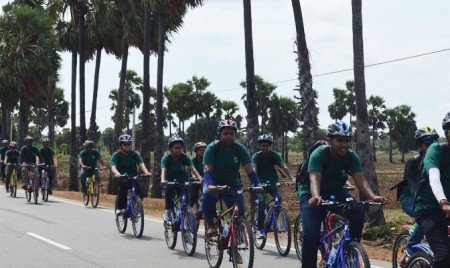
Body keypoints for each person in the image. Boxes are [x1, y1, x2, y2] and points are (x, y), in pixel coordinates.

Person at [298, 121, 387, 267]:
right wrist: (315, 196)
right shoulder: (319, 154)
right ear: (331, 140)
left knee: (357, 209)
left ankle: (351, 248)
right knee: (311, 234)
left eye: (347, 140)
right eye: (340, 140)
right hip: (310, 193)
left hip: (335, 190)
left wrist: (372, 196)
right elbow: (314, 179)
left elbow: (361, 180)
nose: (344, 144)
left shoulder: (351, 157)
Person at [202, 119, 262, 236]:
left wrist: (257, 183)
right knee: (207, 195)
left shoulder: (240, 149)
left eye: (231, 133)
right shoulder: (212, 148)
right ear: (220, 134)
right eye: (225, 133)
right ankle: (211, 224)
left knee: (239, 214)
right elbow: (207, 169)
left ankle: (236, 243)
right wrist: (210, 184)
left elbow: (250, 170)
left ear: (235, 135)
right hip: (213, 182)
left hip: (233, 184)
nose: (228, 136)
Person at [391, 126, 438, 257]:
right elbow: (413, 186)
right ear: (420, 145)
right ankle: (411, 246)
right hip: (410, 197)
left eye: (434, 142)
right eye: (427, 143)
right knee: (426, 215)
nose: (432, 145)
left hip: (430, 198)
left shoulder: (441, 159)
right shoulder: (414, 162)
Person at [414, 112, 450, 268]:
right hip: (430, 208)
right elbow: (434, 177)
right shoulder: (436, 149)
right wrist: (443, 201)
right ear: (446, 134)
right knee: (444, 257)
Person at [252, 133, 295, 239]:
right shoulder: (256, 156)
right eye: (263, 145)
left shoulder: (274, 155)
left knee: (278, 199)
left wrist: (292, 177)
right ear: (260, 145)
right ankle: (261, 229)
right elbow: (254, 168)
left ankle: (273, 219)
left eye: (266, 145)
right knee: (262, 204)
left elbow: (283, 166)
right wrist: (256, 182)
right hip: (259, 183)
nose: (264, 147)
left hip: (272, 182)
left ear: (270, 145)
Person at [160, 135, 202, 221]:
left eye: (180, 148)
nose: (179, 150)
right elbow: (163, 170)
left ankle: (185, 220)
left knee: (186, 202)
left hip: (183, 181)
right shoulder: (166, 158)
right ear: (171, 148)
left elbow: (193, 168)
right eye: (176, 148)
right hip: (170, 181)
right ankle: (168, 210)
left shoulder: (184, 157)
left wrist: (200, 177)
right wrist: (163, 180)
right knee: (169, 190)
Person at [111, 134, 151, 215]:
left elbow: (141, 164)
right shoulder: (117, 155)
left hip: (133, 177)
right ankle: (120, 208)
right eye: (125, 144)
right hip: (122, 177)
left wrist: (146, 172)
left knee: (140, 193)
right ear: (121, 145)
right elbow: (113, 167)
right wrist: (118, 174)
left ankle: (135, 208)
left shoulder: (133, 154)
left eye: (129, 144)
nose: (127, 146)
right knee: (123, 187)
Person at [190, 141, 207, 210]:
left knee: (208, 195)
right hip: (194, 180)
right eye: (200, 150)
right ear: (196, 151)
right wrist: (194, 177)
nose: (202, 152)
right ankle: (187, 211)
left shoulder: (207, 160)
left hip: (204, 180)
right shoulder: (193, 160)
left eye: (204, 150)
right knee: (193, 196)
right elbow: (192, 170)